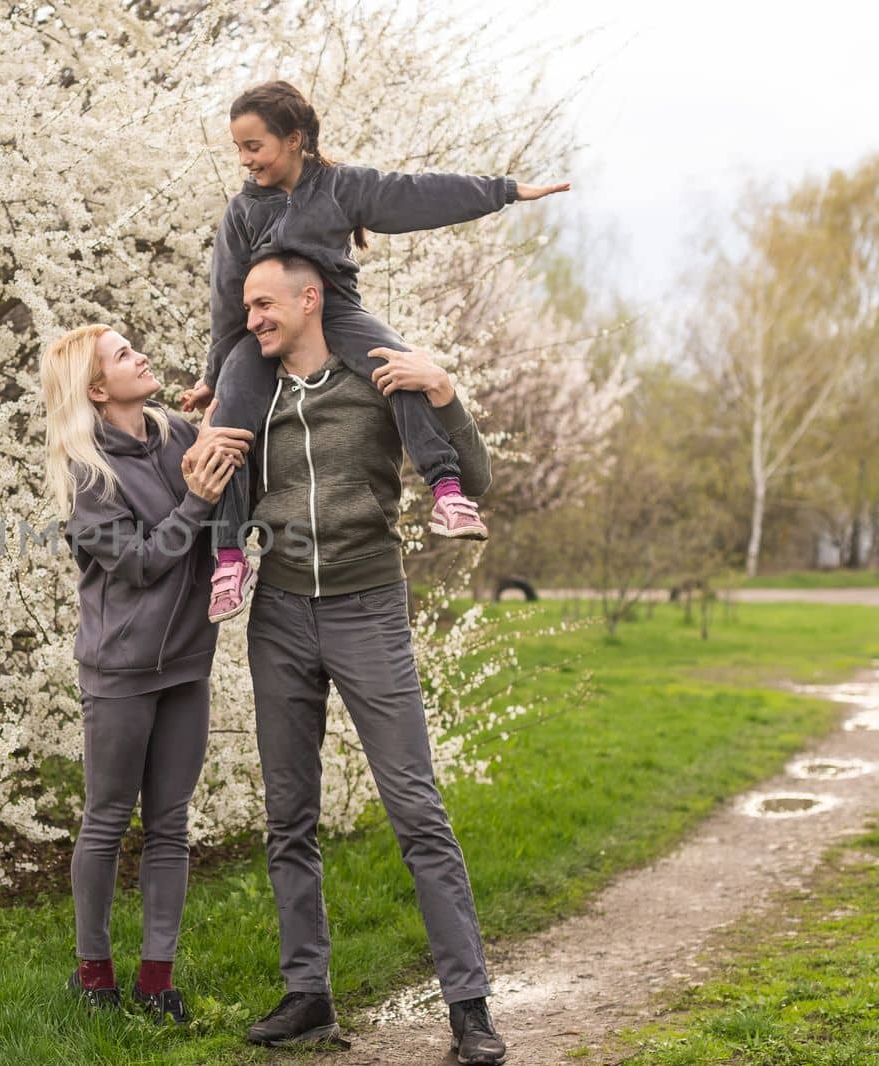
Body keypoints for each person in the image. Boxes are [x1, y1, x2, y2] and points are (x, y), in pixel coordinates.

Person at [183, 254, 508, 1065]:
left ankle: (469, 1009)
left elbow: (476, 478)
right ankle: (308, 996)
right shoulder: (250, 398)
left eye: (265, 304)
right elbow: (207, 488)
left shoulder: (376, 375)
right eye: (246, 305)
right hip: (280, 614)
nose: (252, 317)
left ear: (309, 298)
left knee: (415, 809)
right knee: (288, 816)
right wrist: (196, 468)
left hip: (369, 607)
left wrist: (443, 390)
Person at [180, 79, 569, 623]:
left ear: (293, 140)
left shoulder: (342, 188)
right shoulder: (243, 212)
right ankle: (227, 553)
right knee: (228, 422)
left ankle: (450, 492)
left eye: (254, 146)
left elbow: (417, 194)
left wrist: (504, 191)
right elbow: (226, 301)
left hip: (337, 312)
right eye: (239, 148)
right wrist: (216, 374)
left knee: (400, 368)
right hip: (260, 331)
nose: (245, 160)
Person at [40, 323, 253, 1024]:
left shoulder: (175, 434)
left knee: (170, 823)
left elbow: (239, 465)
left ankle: (157, 981)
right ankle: (93, 973)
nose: (142, 356)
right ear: (98, 390)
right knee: (106, 821)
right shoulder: (85, 474)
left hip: (188, 661)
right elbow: (137, 563)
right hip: (121, 670)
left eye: (135, 346)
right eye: (124, 355)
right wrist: (194, 501)